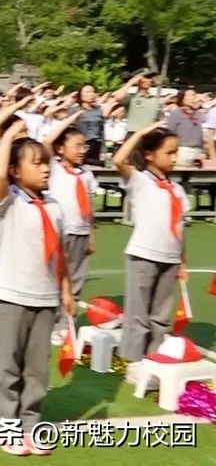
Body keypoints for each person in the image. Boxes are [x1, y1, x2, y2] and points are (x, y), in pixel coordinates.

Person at [0, 123, 74, 456]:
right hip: (10, 295)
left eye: (46, 162)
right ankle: (7, 428)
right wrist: (8, 137)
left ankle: (31, 426)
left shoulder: (54, 206)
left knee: (37, 370)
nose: (44, 167)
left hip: (45, 297)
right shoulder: (8, 201)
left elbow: (60, 254)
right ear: (15, 171)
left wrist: (65, 290)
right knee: (8, 366)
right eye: (35, 162)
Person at [112, 123, 188, 386]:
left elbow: (180, 227)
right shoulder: (140, 181)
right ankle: (133, 361)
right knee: (138, 311)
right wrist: (141, 133)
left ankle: (154, 356)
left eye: (176, 152)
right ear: (150, 155)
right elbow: (118, 159)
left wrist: (182, 261)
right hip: (143, 254)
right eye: (169, 152)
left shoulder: (177, 189)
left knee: (160, 314)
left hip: (170, 257)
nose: (175, 158)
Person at [43, 116, 97, 344]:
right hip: (58, 232)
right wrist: (68, 120)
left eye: (84, 146)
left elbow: (89, 208)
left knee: (76, 280)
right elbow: (46, 142)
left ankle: (67, 324)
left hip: (81, 232)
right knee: (55, 279)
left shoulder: (86, 174)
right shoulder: (54, 169)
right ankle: (52, 323)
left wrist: (91, 234)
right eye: (77, 146)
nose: (82, 150)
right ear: (61, 149)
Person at [165, 88, 205, 167]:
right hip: (182, 150)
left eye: (194, 95)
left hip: (198, 150)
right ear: (182, 98)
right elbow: (169, 133)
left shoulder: (199, 114)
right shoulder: (176, 114)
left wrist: (204, 151)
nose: (192, 98)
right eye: (189, 95)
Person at [72, 83, 105, 166]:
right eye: (87, 92)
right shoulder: (75, 110)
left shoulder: (99, 110)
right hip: (83, 144)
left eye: (93, 92)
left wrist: (103, 149)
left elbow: (102, 131)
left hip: (97, 143)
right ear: (80, 95)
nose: (91, 94)